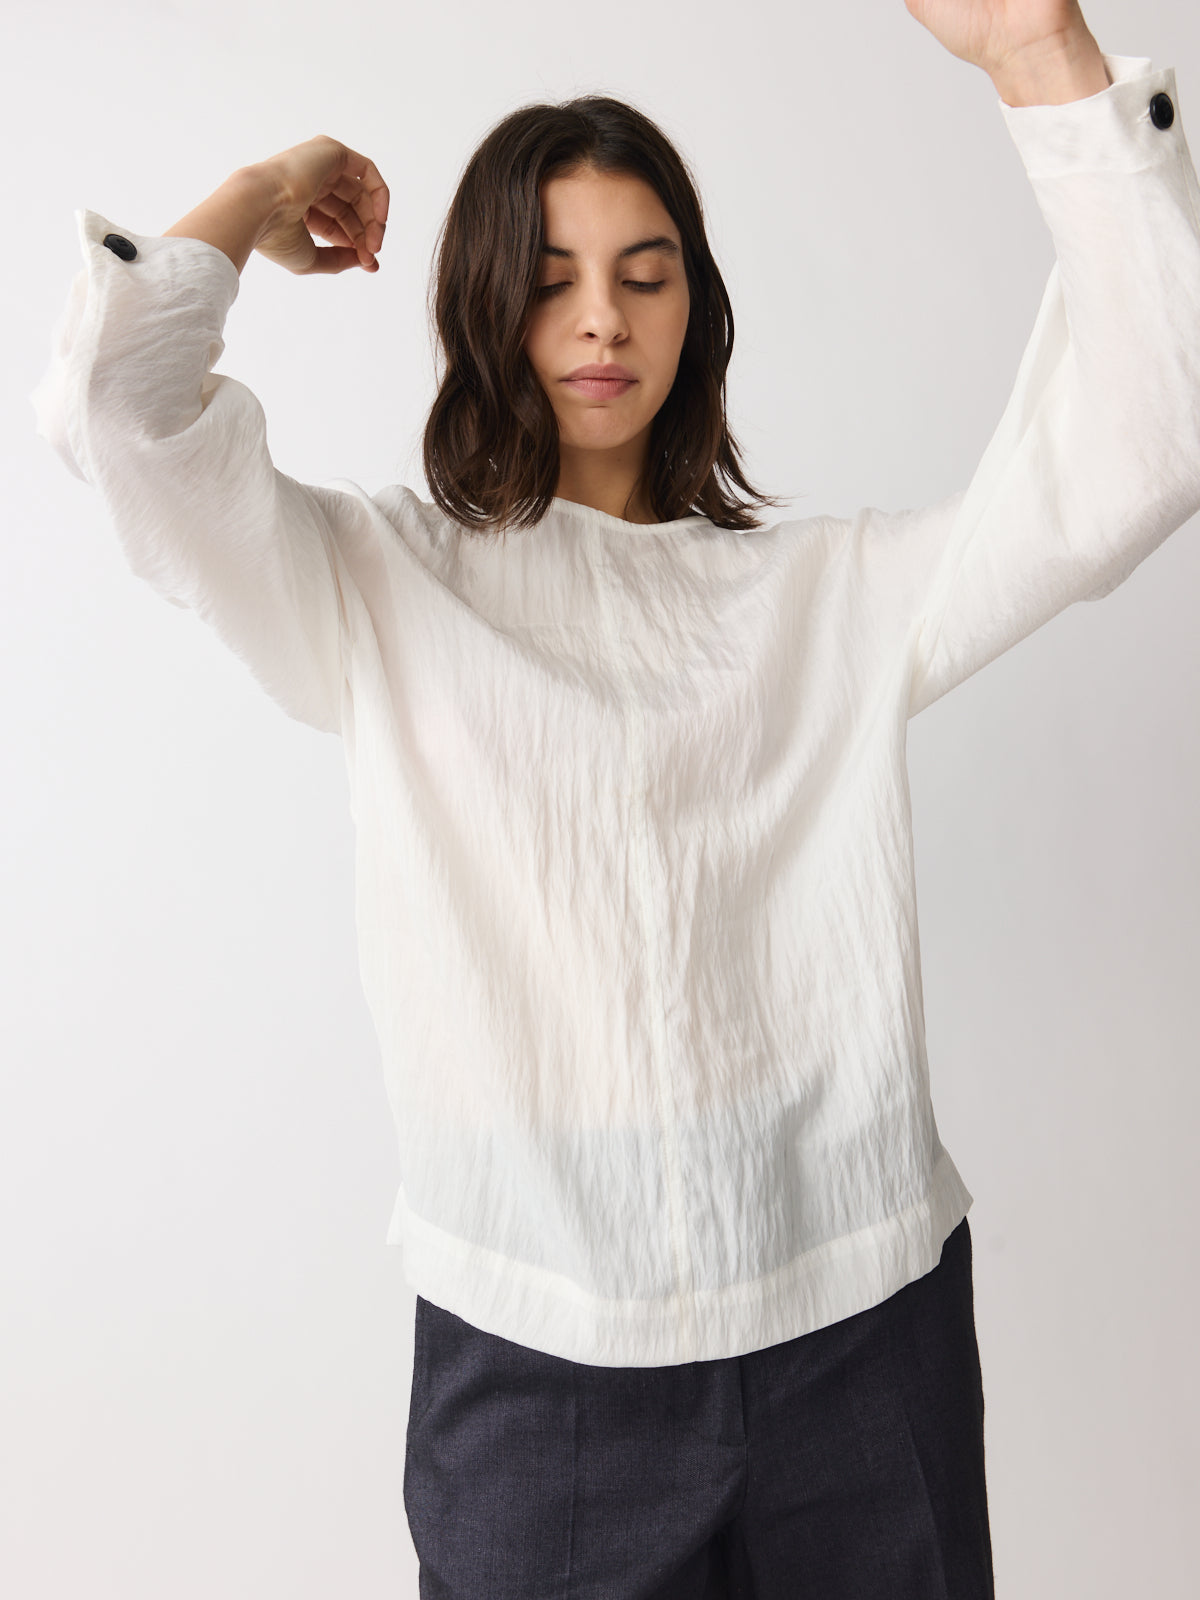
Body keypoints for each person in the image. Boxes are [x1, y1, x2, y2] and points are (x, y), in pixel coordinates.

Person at [30, 1, 1200, 1594]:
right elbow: (117, 413)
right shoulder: (373, 585)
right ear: (483, 305)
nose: (601, 321)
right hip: (536, 1369)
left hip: (861, 1334)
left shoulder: (827, 596)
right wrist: (264, 190)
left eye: (645, 276)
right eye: (552, 279)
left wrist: (1038, 54)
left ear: (695, 309)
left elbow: (1146, 440)